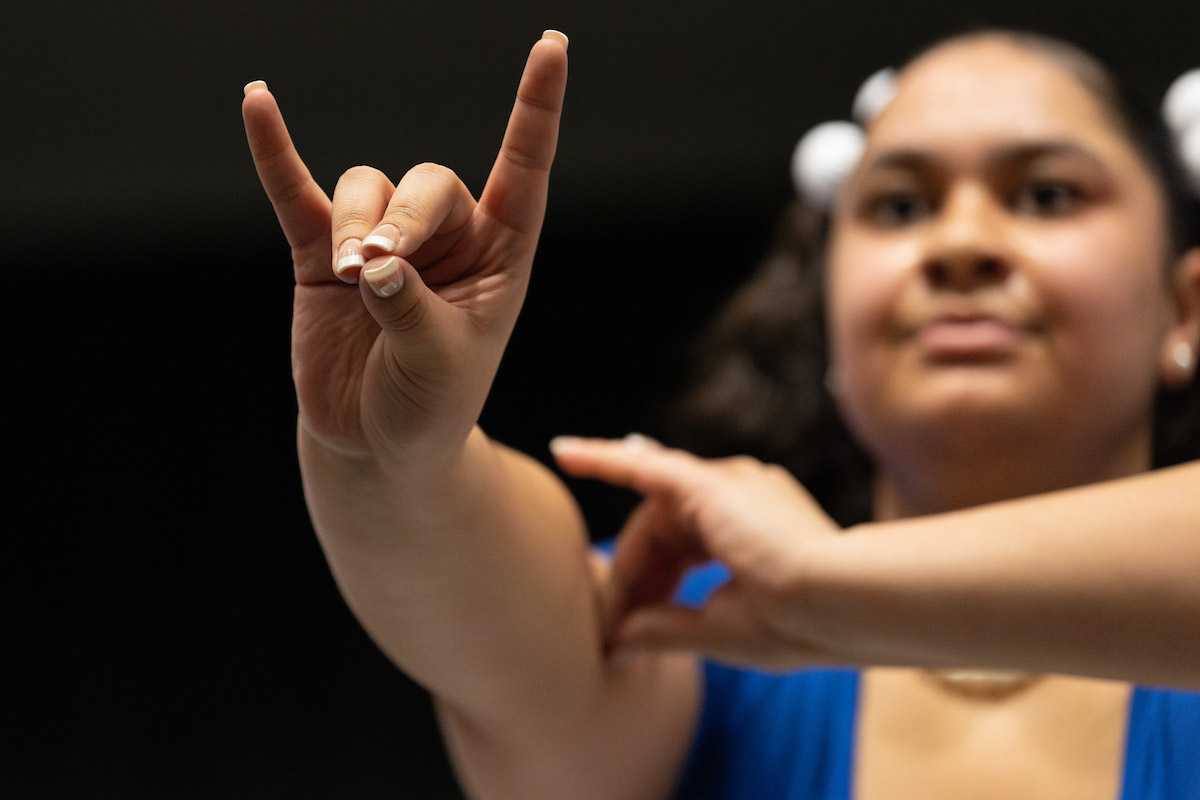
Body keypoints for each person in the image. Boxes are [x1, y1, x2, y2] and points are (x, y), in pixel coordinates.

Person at [242, 26, 1200, 800]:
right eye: (900, 208)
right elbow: (481, 615)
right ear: (829, 318)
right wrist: (385, 456)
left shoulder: (785, 589)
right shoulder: (702, 636)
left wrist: (828, 580)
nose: (959, 245)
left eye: (1045, 194)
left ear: (1185, 310)